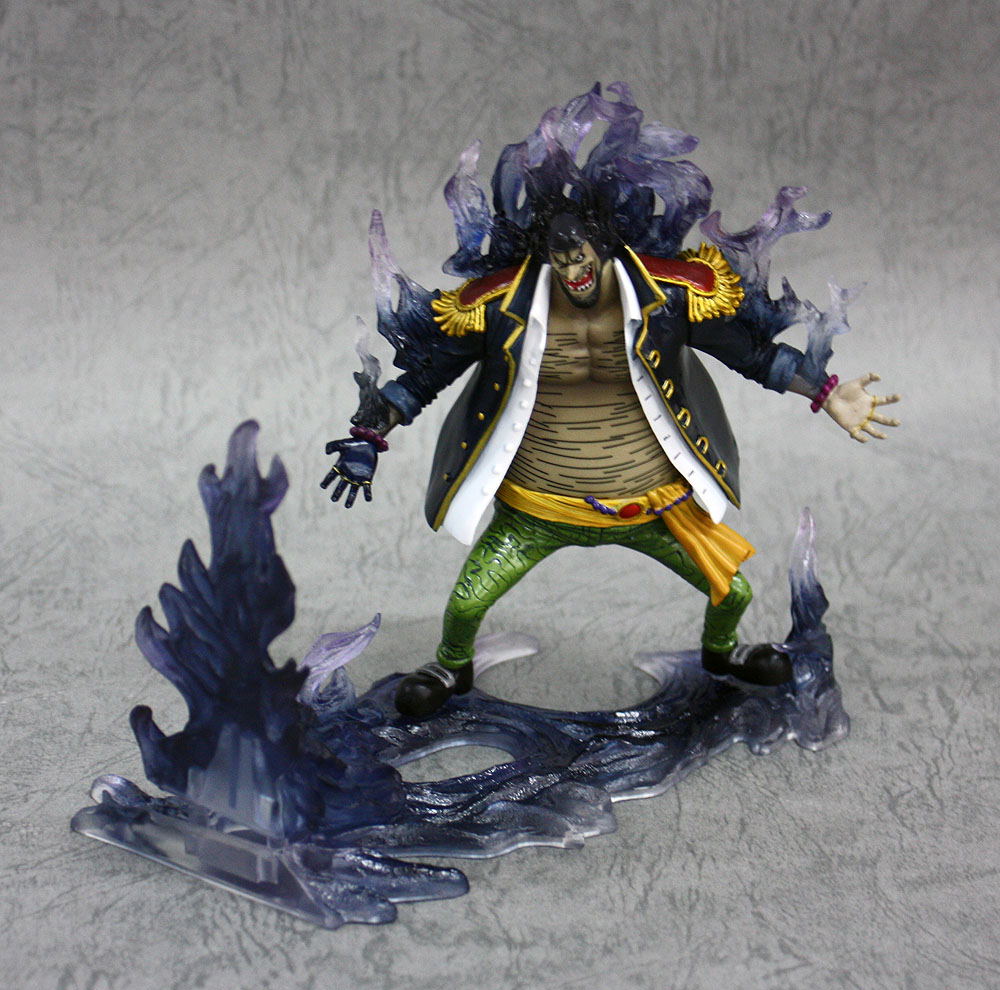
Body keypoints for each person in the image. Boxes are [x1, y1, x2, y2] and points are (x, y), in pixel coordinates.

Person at [321, 87, 900, 718]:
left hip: (650, 506)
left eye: (581, 257)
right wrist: (370, 434)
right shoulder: (500, 309)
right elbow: (423, 378)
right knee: (465, 604)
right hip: (535, 509)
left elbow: (754, 356)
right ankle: (451, 667)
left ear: (605, 249)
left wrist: (826, 392)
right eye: (560, 259)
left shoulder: (669, 300)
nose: (573, 271)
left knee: (731, 592)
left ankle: (720, 655)